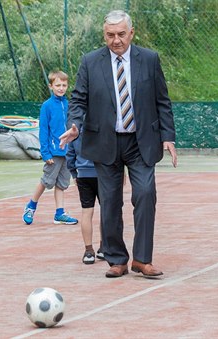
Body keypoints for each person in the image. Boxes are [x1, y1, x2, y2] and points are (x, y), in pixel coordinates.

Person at [59, 10, 177, 278]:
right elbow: (78, 100)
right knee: (110, 202)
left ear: (131, 33)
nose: (116, 40)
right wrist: (75, 126)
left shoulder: (149, 59)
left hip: (141, 142)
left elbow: (162, 101)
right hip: (104, 141)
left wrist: (167, 136)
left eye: (121, 34)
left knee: (145, 194)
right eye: (110, 35)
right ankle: (117, 259)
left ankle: (142, 260)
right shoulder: (90, 62)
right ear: (104, 35)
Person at [22, 70, 78, 226]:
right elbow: (44, 131)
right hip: (53, 153)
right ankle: (31, 206)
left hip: (67, 152)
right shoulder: (47, 106)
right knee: (46, 181)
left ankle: (60, 213)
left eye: (64, 85)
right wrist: (45, 153)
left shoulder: (69, 104)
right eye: (58, 85)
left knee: (62, 184)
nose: (61, 88)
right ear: (51, 86)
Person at [66, 127, 105, 264]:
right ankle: (103, 248)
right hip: (103, 174)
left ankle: (89, 251)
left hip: (83, 174)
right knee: (106, 212)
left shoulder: (75, 128)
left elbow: (70, 154)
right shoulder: (103, 124)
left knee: (87, 212)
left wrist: (74, 173)